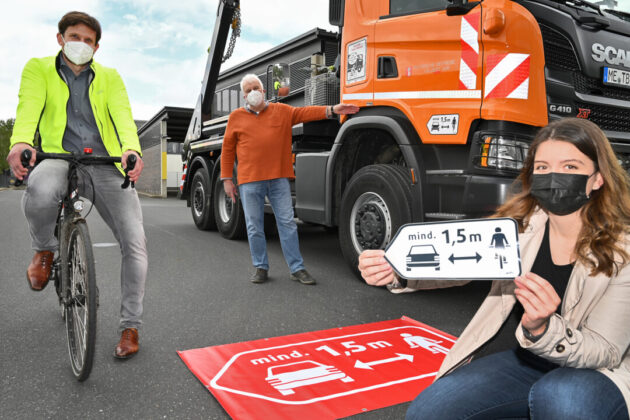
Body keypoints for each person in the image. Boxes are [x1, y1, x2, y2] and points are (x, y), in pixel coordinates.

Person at [359, 118, 630, 419]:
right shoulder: (516, 226)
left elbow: (606, 349)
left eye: (570, 167)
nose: (553, 176)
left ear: (597, 178)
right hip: (523, 359)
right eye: (542, 167)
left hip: (597, 370)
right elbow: (453, 261)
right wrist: (396, 269)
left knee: (559, 398)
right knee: (427, 413)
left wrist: (542, 328)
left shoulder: (624, 250)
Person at [7, 11, 147, 359]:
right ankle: (45, 249)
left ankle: (130, 326)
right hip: (58, 155)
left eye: (88, 40)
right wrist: (21, 141)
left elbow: (123, 117)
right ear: (60, 39)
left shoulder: (111, 77)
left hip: (104, 162)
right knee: (40, 191)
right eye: (74, 37)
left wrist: (132, 150)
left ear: (96, 47)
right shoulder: (38, 68)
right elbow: (28, 108)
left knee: (135, 243)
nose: (80, 44)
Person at [221, 74, 359, 284]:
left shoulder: (281, 111)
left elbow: (305, 112)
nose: (252, 92)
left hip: (278, 179)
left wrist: (332, 109)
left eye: (255, 87)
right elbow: (228, 149)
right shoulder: (236, 117)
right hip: (249, 181)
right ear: (243, 95)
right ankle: (260, 267)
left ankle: (297, 268)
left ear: (264, 90)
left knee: (287, 223)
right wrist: (226, 180)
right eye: (248, 90)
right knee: (254, 226)